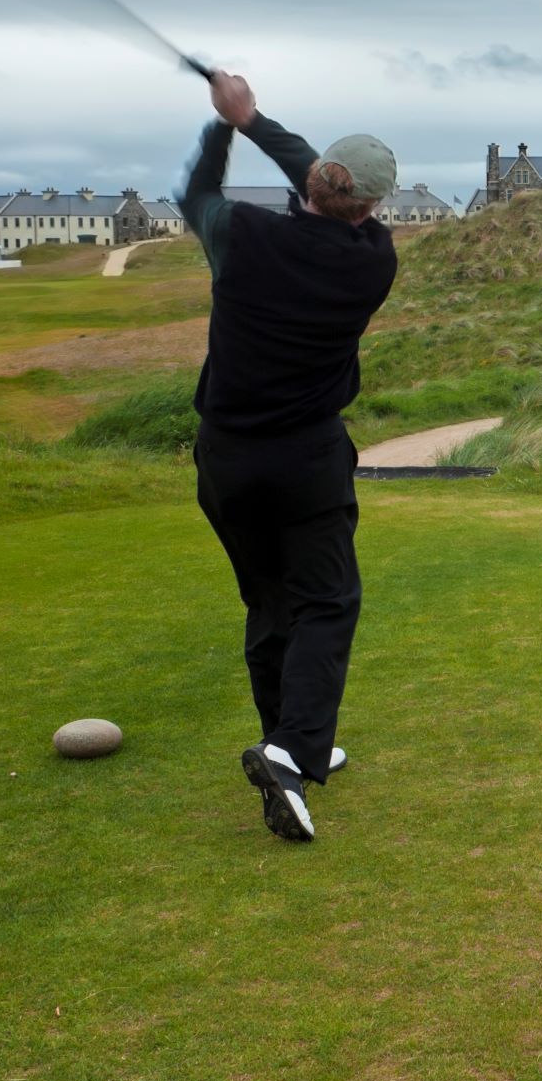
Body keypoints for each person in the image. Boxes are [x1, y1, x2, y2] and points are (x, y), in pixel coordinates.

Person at [179, 70, 399, 843]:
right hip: (306, 459)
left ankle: (288, 741)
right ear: (370, 208)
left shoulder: (241, 235)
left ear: (310, 183)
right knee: (328, 601)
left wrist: (226, 126)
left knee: (270, 604)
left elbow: (195, 197)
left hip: (227, 462)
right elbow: (313, 172)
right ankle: (291, 751)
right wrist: (256, 120)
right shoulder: (373, 259)